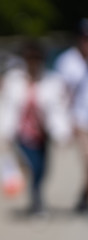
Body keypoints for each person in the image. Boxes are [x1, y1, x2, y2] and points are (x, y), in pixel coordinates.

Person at [0, 41, 71, 215]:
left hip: (43, 135)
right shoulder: (13, 80)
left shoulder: (52, 81)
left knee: (43, 169)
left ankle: (36, 198)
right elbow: (4, 107)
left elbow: (58, 109)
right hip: (21, 134)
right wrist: (2, 134)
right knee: (33, 167)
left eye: (36, 59)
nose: (33, 62)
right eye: (30, 58)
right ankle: (36, 201)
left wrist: (62, 133)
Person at [54, 18, 88, 213]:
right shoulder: (67, 62)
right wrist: (65, 122)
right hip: (80, 121)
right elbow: (60, 96)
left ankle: (83, 197)